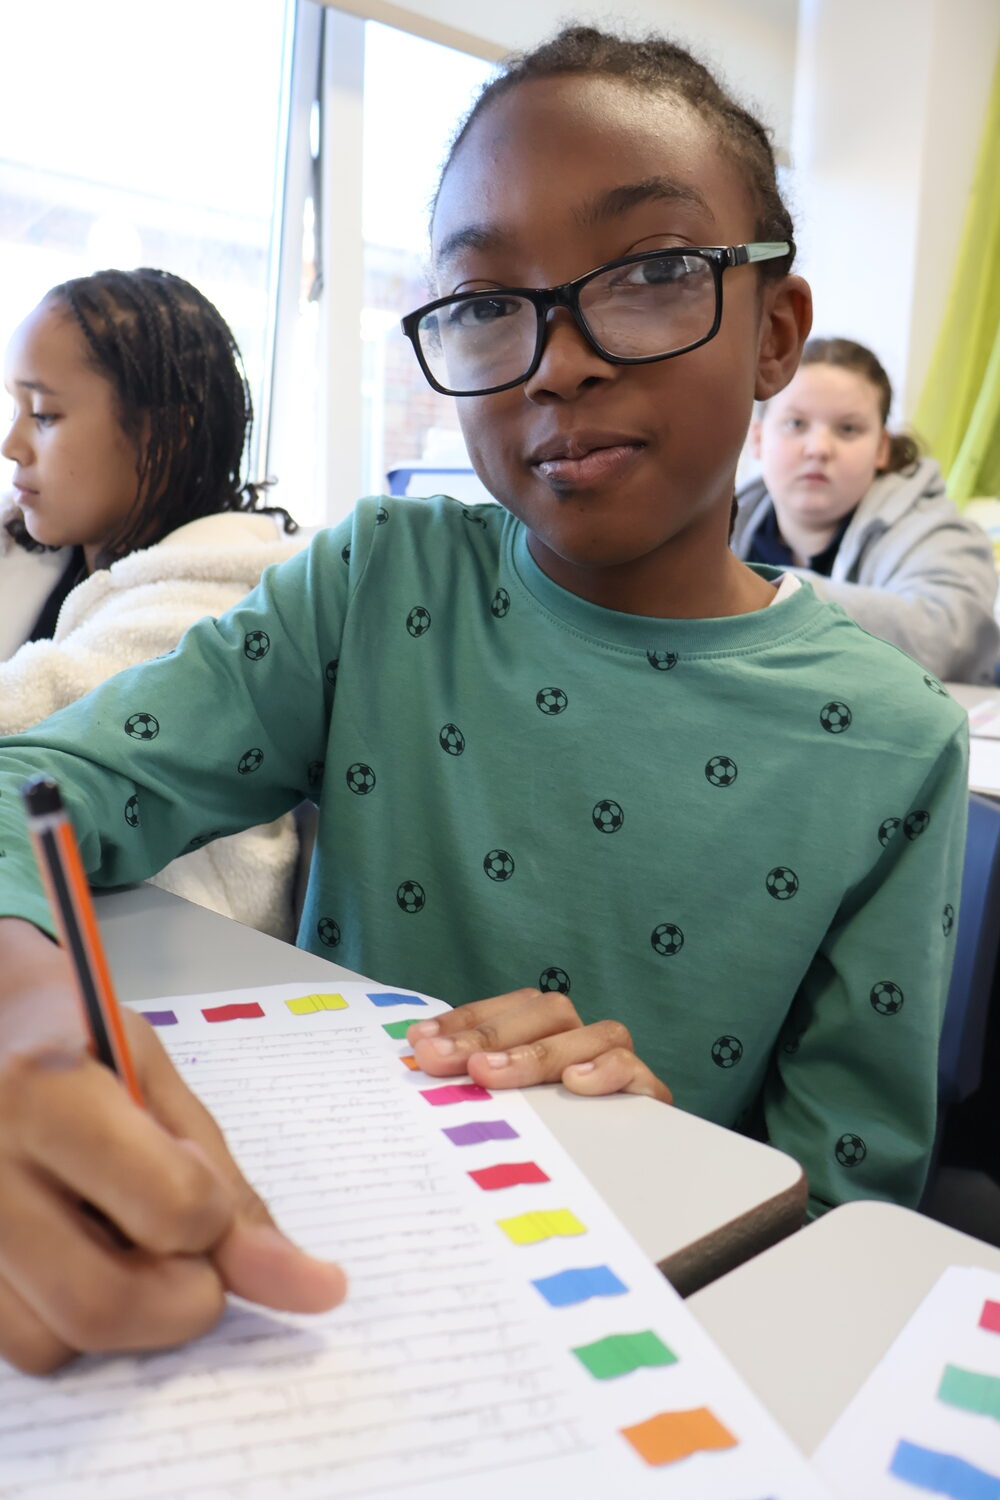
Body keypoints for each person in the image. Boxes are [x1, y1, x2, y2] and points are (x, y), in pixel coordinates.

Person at [0, 25, 968, 1375]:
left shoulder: (893, 741)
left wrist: (663, 1159)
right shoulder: (374, 587)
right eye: (484, 303)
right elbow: (41, 787)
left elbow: (852, 1229)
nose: (556, 360)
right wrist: (22, 1009)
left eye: (650, 274)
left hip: (622, 1336)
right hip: (326, 1276)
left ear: (773, 332)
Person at [0, 268, 305, 940]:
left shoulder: (211, 608)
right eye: (14, 409)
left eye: (44, 415)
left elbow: (48, 722)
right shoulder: (46, 559)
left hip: (196, 953)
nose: (12, 444)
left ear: (164, 435)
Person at [732, 336, 1000, 684]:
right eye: (796, 424)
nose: (818, 448)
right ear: (757, 439)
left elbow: (947, 640)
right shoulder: (716, 525)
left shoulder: (938, 535)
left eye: (848, 429)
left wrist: (772, 593)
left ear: (881, 448)